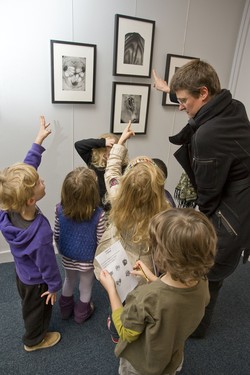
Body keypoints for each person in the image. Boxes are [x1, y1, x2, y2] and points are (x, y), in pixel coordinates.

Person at [153, 60, 250, 338]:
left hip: (227, 218)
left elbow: (207, 195)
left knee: (206, 272)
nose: (180, 106)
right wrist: (168, 90)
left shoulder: (207, 136)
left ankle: (196, 328)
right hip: (243, 203)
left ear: (204, 93)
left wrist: (197, 228)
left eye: (183, 100)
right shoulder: (233, 106)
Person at [99, 208, 217, 375]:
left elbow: (125, 331)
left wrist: (112, 290)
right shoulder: (203, 282)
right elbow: (174, 295)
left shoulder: (146, 297)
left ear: (162, 256)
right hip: (172, 355)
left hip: (142, 365)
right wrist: (153, 277)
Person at [94, 122, 171, 343]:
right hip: (145, 266)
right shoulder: (164, 214)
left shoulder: (118, 195)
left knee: (118, 291)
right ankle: (140, 327)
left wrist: (120, 143)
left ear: (125, 185)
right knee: (141, 298)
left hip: (118, 255)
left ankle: (118, 327)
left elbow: (111, 170)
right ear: (158, 189)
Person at [0, 116, 62, 352]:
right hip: (38, 282)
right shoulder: (41, 233)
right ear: (31, 199)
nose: (42, 180)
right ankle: (34, 340)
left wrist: (38, 141)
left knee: (28, 305)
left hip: (21, 273)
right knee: (37, 311)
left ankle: (33, 326)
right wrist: (54, 286)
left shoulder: (7, 210)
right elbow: (48, 265)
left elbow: (26, 171)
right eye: (39, 183)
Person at [54, 167, 106, 323]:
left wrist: (61, 248)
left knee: (69, 280)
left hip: (67, 255)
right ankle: (81, 314)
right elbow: (101, 241)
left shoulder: (59, 209)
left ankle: (65, 310)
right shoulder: (99, 215)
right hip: (88, 260)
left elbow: (56, 233)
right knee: (86, 284)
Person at [74, 133, 127, 211]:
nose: (108, 156)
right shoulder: (93, 163)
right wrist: (103, 142)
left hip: (115, 208)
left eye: (112, 153)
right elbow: (79, 145)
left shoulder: (122, 167)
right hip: (97, 209)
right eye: (105, 152)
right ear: (100, 151)